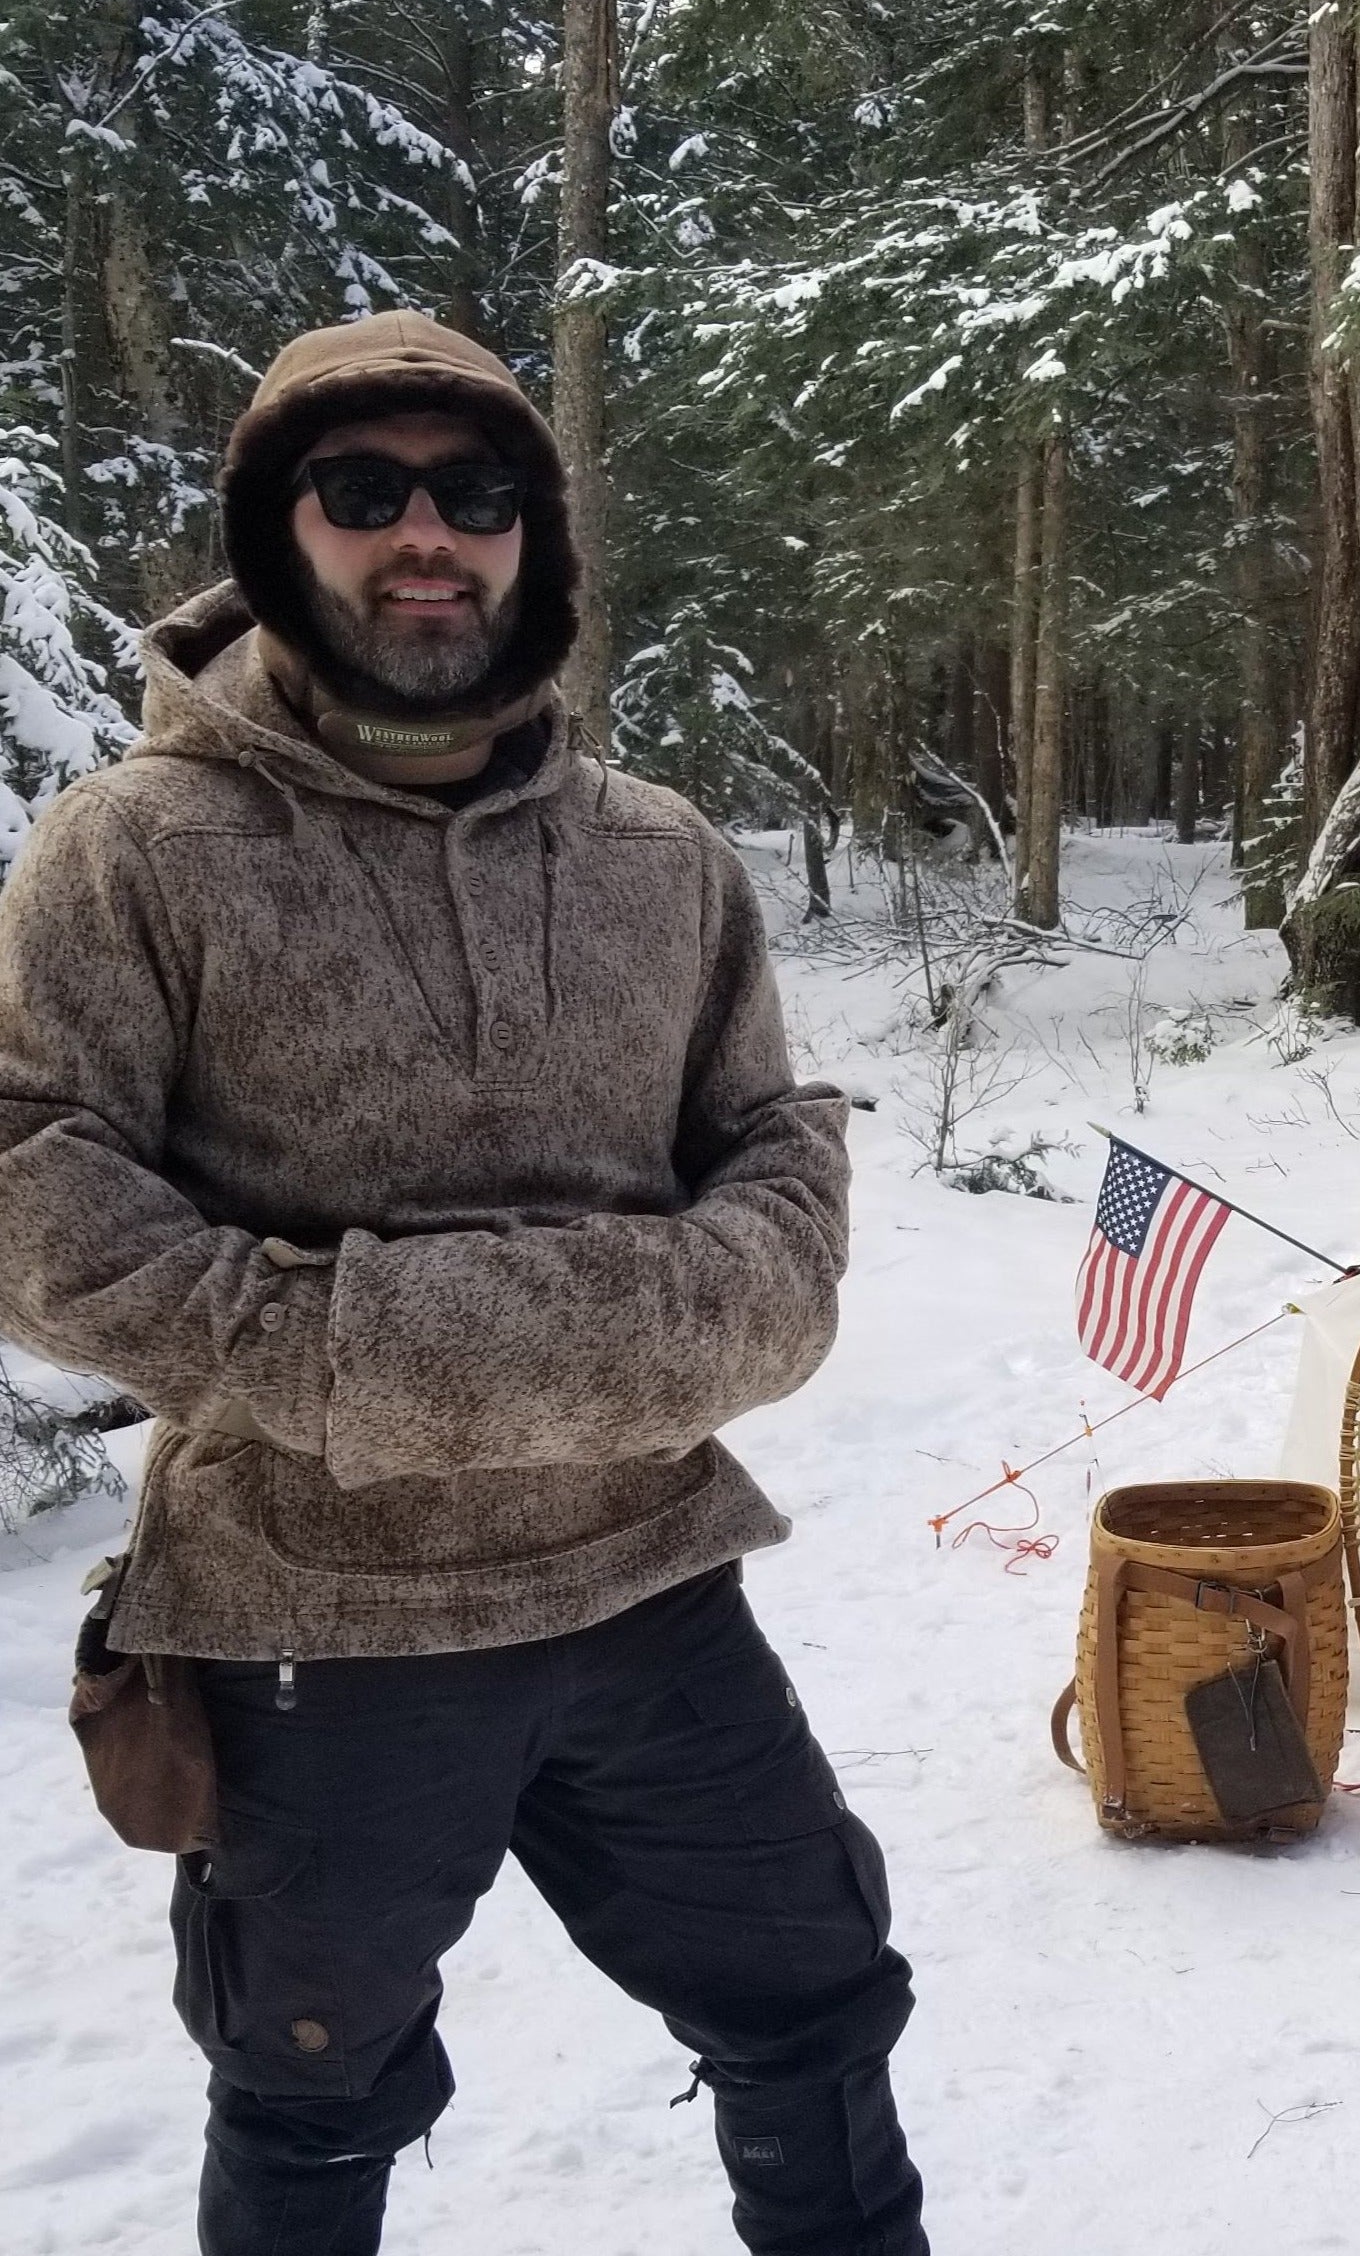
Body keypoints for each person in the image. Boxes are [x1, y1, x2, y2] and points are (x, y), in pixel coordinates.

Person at [0, 311, 928, 2256]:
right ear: (277, 528)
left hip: (648, 1584)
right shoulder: (132, 853)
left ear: (537, 534)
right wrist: (365, 1349)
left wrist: (667, 1322)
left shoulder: (655, 858)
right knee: (310, 2084)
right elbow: (26, 1180)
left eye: (478, 488)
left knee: (817, 2007)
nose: (429, 532)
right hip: (313, 1623)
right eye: (365, 489)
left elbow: (775, 1162)